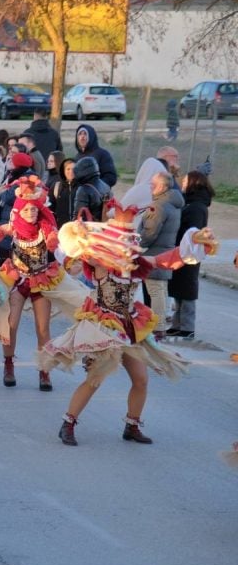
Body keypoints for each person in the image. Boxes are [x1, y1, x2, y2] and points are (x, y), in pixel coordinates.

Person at [43, 200, 215, 446]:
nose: (128, 249)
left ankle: (132, 426)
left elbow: (165, 260)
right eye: (123, 243)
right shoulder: (101, 263)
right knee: (95, 379)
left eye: (130, 243)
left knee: (141, 380)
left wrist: (195, 244)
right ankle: (68, 424)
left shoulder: (136, 265)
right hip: (102, 326)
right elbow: (76, 252)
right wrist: (80, 236)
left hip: (128, 325)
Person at [0, 176, 86, 389]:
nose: (31, 213)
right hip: (17, 279)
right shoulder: (12, 228)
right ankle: (9, 364)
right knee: (10, 325)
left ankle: (44, 370)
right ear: (19, 211)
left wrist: (69, 260)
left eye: (34, 210)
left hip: (42, 280)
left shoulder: (46, 231)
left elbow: (58, 249)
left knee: (43, 329)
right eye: (27, 210)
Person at [167, 170, 212, 338]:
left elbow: (193, 232)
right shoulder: (190, 203)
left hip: (189, 253)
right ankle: (177, 324)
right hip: (182, 251)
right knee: (178, 289)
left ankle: (187, 327)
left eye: (186, 181)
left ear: (194, 183)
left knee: (186, 290)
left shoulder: (197, 207)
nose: (183, 184)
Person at [138, 169, 184, 334]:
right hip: (166, 251)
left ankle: (157, 327)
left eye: (153, 185)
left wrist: (136, 245)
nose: (150, 188)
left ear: (162, 187)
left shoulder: (158, 206)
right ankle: (160, 323)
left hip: (154, 253)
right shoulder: (174, 203)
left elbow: (149, 233)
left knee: (155, 290)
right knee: (161, 290)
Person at [73, 124, 117, 188]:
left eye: (85, 134)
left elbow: (111, 177)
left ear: (91, 136)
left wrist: (94, 186)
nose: (82, 137)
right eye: (80, 134)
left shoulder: (102, 154)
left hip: (98, 194)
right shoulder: (77, 157)